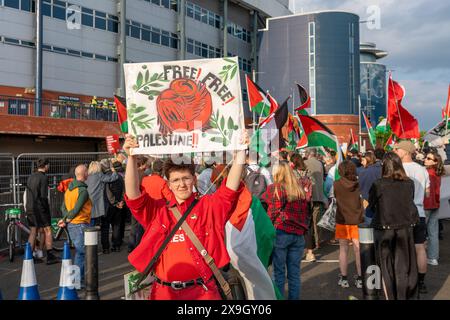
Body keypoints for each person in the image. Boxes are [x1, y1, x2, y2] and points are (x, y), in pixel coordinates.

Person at [123, 131, 248, 300]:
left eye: (186, 178)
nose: (181, 184)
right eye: (175, 180)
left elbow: (230, 190)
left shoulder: (209, 206)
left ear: (194, 180)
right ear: (168, 184)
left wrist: (241, 151)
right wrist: (131, 157)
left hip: (203, 292)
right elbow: (133, 196)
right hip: (164, 293)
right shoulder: (158, 211)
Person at [368, 152, 419, 300]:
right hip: (404, 228)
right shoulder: (409, 183)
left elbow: (371, 206)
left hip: (384, 228)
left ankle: (389, 296)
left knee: (386, 269)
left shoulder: (378, 184)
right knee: (404, 267)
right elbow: (409, 202)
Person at [260, 161, 308, 300]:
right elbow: (305, 212)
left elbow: (272, 211)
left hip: (281, 232)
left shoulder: (275, 188)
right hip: (298, 234)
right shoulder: (298, 188)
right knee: (294, 274)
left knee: (279, 274)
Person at [394, 140, 430, 295]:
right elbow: (427, 192)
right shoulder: (422, 169)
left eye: (397, 149)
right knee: (419, 248)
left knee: (402, 249)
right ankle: (421, 283)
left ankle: (405, 280)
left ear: (406, 151)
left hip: (402, 214)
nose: (395, 151)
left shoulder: (398, 169)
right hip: (419, 212)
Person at [58, 164, 92, 288]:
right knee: (82, 253)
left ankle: (77, 280)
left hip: (73, 224)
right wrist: (66, 219)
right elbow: (77, 209)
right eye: (87, 172)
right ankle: (77, 281)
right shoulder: (83, 191)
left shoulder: (69, 189)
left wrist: (65, 218)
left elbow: (63, 207)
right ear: (85, 174)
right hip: (80, 224)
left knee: (80, 252)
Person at [332, 160, 364, 289]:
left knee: (343, 250)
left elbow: (333, 198)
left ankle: (344, 277)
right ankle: (360, 278)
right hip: (357, 220)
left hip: (342, 219)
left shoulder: (336, 184)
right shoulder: (358, 184)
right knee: (358, 250)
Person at [25, 158, 60, 265]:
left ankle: (30, 256)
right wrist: (46, 209)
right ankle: (50, 255)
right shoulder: (44, 178)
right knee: (48, 230)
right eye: (48, 165)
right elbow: (43, 197)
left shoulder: (31, 177)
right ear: (45, 166)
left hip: (30, 207)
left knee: (33, 231)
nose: (48, 167)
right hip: (40, 208)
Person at [86, 160, 119, 253]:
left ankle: (89, 247)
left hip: (88, 204)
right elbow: (113, 178)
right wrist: (113, 170)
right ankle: (99, 248)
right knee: (102, 227)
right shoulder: (99, 175)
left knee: (90, 226)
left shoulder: (87, 177)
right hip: (98, 205)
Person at [304, 148, 328, 262]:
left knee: (308, 222)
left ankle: (310, 243)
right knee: (317, 220)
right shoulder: (320, 164)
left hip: (308, 196)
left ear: (308, 154)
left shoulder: (304, 163)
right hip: (319, 195)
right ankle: (318, 241)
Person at [423, 151, 445, 266]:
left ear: (435, 162)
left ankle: (420, 256)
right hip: (435, 204)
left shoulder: (427, 172)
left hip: (426, 205)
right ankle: (433, 257)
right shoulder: (437, 173)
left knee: (421, 233)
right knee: (433, 232)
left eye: (428, 158)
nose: (425, 159)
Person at [104, 161, 126, 252]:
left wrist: (115, 202)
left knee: (106, 226)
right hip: (118, 204)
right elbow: (124, 191)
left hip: (110, 205)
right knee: (116, 225)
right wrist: (121, 201)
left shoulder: (107, 178)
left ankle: (106, 247)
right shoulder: (120, 177)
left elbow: (108, 193)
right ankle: (116, 245)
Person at [357, 151, 382, 224]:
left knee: (369, 226)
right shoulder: (382, 169)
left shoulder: (363, 172)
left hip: (368, 202)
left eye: (363, 160)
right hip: (381, 202)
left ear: (368, 159)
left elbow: (360, 188)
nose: (361, 163)